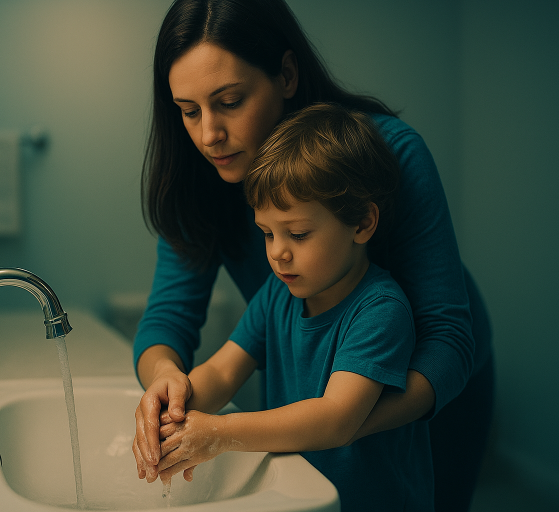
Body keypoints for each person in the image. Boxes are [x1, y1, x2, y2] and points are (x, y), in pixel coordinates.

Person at [133, 1, 494, 510]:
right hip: (320, 411)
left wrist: (334, 419)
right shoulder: (255, 269)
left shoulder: (389, 155)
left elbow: (447, 339)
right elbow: (170, 321)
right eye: (189, 111)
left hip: (431, 384)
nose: (208, 134)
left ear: (285, 74)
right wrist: (169, 390)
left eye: (230, 101)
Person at [149, 103, 432, 510]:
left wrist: (219, 431)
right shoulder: (277, 295)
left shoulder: (380, 311)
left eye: (297, 234)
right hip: (304, 496)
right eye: (267, 234)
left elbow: (336, 418)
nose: (278, 253)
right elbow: (223, 369)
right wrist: (176, 405)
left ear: (361, 224)